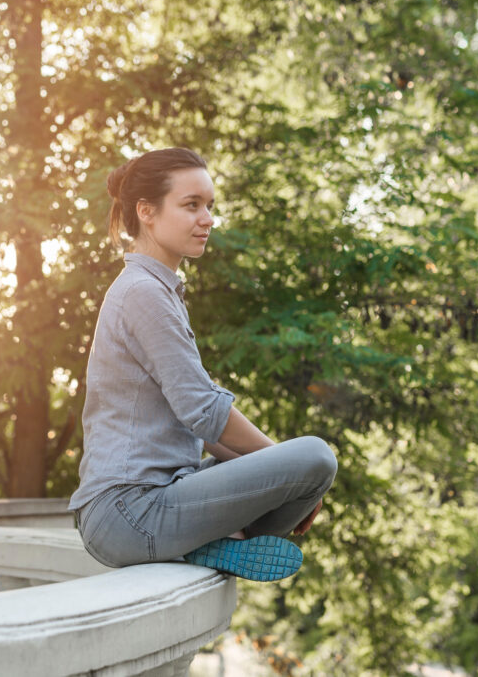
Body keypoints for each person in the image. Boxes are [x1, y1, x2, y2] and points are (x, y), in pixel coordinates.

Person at [68, 147, 338, 582]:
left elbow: (199, 425)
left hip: (151, 504)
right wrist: (293, 468)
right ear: (147, 212)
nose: (207, 219)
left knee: (305, 464)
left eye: (209, 206)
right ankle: (214, 543)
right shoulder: (142, 293)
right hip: (128, 512)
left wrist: (291, 478)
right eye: (191, 205)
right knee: (317, 457)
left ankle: (212, 546)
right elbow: (203, 409)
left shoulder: (158, 291)